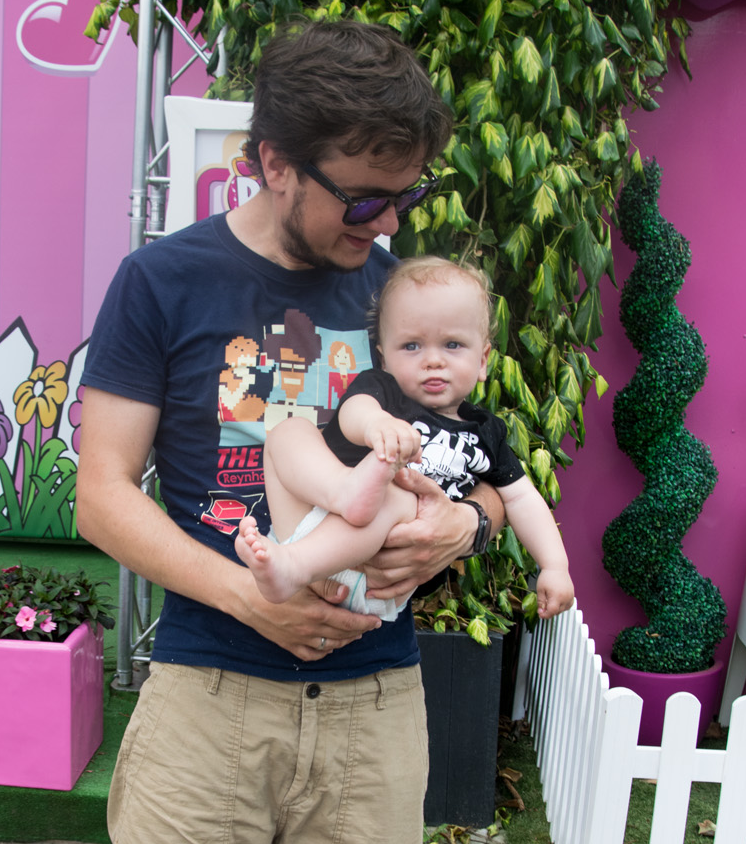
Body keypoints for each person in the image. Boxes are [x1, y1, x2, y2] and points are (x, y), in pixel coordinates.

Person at [19, 19, 506, 844]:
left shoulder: (400, 295)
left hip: (373, 696)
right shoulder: (163, 281)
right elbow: (102, 495)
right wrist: (251, 595)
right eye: (361, 196)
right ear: (270, 162)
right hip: (210, 685)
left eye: (402, 196)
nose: (381, 222)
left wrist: (464, 526)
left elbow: (484, 466)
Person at [234, 256, 574, 623]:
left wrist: (555, 565)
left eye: (453, 344)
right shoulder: (384, 393)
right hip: (308, 528)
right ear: (383, 358)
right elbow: (354, 412)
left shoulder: (486, 432)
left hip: (382, 573)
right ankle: (335, 504)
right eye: (411, 346)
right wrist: (376, 424)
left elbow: (521, 497)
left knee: (398, 492)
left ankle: (295, 566)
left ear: (483, 360)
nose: (433, 360)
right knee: (289, 431)